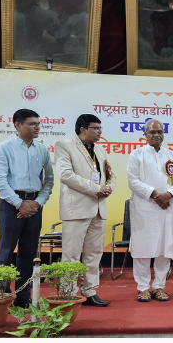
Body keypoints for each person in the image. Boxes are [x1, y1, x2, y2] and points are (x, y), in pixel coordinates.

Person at [0, 108, 54, 308]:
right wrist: (19, 204)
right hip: (10, 205)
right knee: (6, 251)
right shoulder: (5, 147)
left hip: (34, 206)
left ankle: (23, 297)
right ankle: (2, 295)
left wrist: (38, 202)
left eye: (38, 123)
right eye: (32, 123)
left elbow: (49, 181)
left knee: (28, 253)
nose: (37, 127)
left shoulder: (42, 150)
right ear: (17, 125)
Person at [53, 114, 113, 307]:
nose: (100, 131)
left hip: (98, 209)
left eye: (100, 128)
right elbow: (65, 175)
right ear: (82, 129)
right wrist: (96, 189)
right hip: (76, 209)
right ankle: (68, 293)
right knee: (71, 255)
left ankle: (90, 291)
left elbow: (109, 175)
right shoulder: (65, 146)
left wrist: (108, 188)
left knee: (94, 253)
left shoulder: (100, 150)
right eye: (96, 128)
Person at [126, 120, 173, 302]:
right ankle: (143, 287)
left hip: (166, 208)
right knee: (142, 248)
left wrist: (168, 195)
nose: (156, 135)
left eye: (159, 131)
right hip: (144, 208)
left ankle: (159, 286)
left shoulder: (172, 155)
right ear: (145, 134)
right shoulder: (136, 154)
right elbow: (132, 181)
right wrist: (155, 195)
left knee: (164, 248)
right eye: (152, 132)